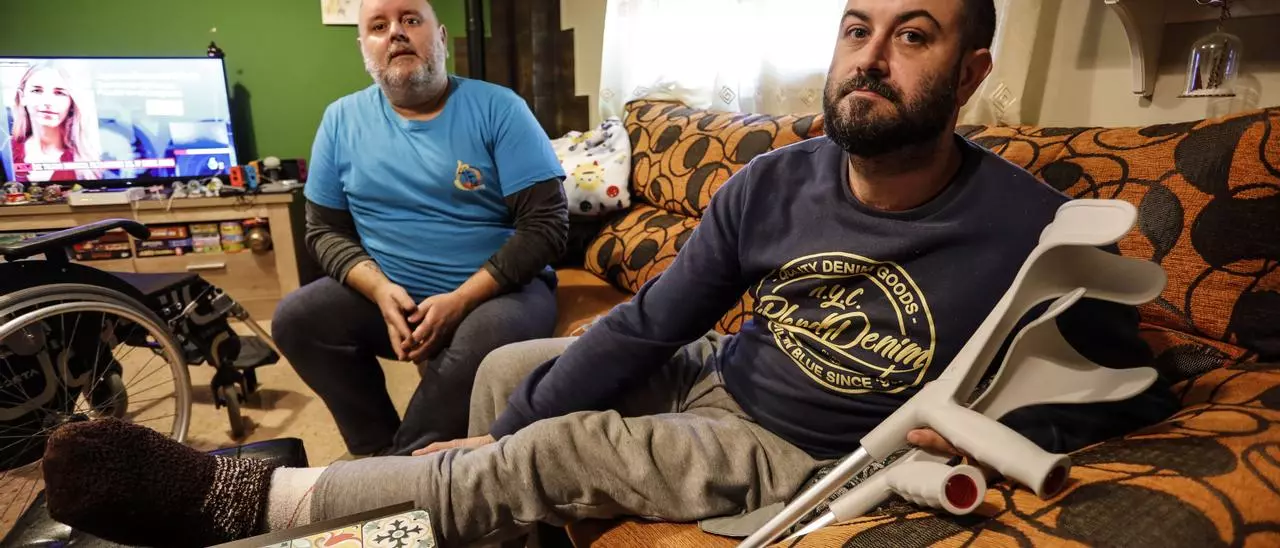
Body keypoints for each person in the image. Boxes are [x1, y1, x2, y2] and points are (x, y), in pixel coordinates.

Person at [40, 0, 1180, 546]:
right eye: (854, 28)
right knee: (513, 381)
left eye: (912, 34)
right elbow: (644, 324)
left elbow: (1122, 381)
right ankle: (475, 509)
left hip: (811, 445)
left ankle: (246, 501)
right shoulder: (771, 184)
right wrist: (494, 435)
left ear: (969, 71)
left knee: (561, 440)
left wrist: (986, 426)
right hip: (726, 370)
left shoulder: (1027, 227)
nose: (869, 60)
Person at [269, 0, 569, 458]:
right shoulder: (340, 120)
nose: (396, 32)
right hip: (395, 296)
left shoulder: (500, 108)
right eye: (379, 26)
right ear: (364, 47)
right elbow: (323, 230)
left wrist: (460, 299)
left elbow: (547, 225)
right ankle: (375, 448)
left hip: (498, 293)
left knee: (485, 345)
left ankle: (401, 466)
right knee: (297, 319)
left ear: (441, 36)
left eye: (411, 19)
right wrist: (380, 290)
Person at [8, 61, 100, 182]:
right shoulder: (6, 152)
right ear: (22, 97)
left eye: (59, 93)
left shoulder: (86, 160)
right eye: (37, 91)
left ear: (72, 102)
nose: (48, 101)